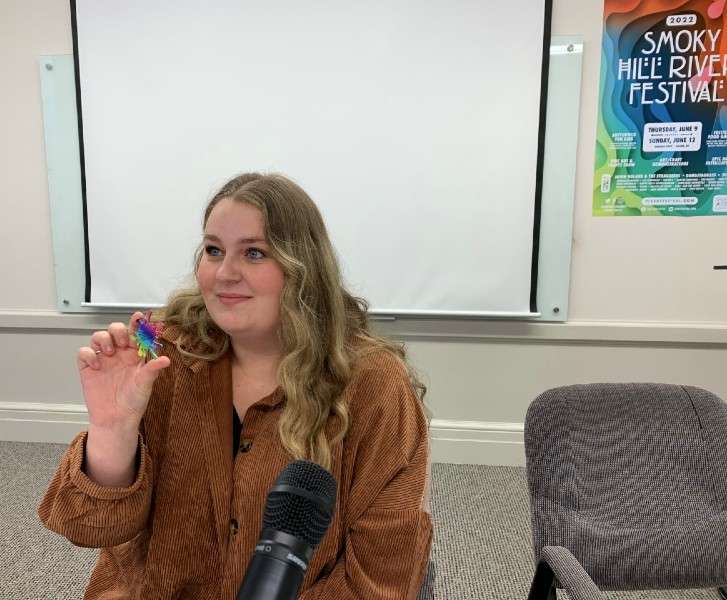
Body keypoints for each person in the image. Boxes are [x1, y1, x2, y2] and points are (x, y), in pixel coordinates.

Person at [38, 173, 433, 599]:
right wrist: (113, 433)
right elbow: (88, 526)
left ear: (301, 267)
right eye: (213, 250)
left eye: (254, 253)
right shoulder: (160, 354)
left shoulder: (373, 384)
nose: (224, 273)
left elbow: (381, 580)